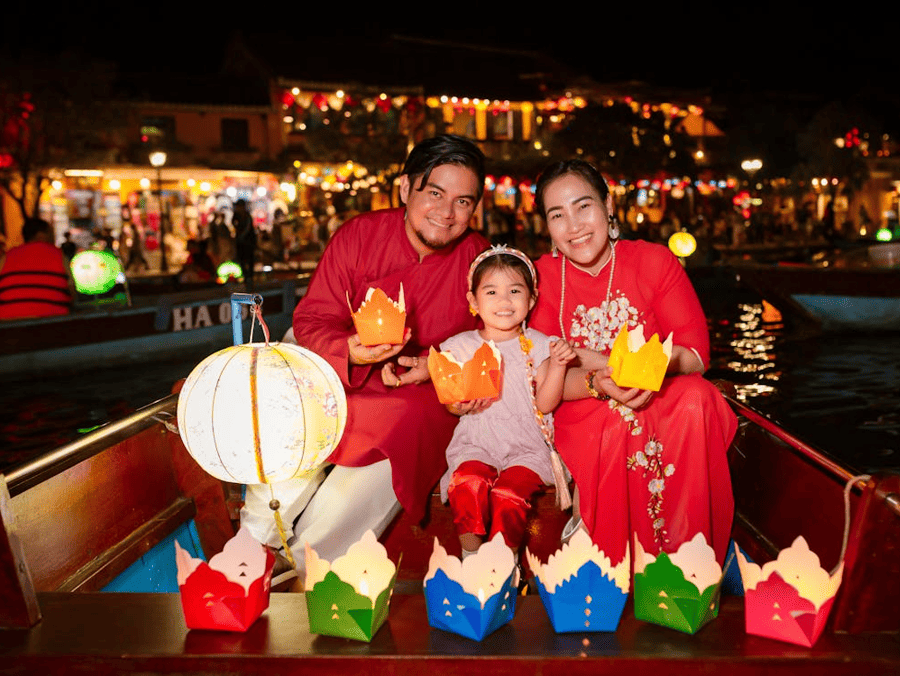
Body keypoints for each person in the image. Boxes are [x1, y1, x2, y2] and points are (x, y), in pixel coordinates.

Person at [240, 134, 490, 575]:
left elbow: (493, 345)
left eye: (463, 202)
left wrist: (431, 367)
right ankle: (256, 538)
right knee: (301, 388)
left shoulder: (478, 259)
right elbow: (313, 319)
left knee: (405, 422)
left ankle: (309, 562)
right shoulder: (359, 235)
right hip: (340, 372)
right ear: (405, 189)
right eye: (435, 194)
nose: (447, 213)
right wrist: (349, 352)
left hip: (419, 391)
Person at [528, 159, 737, 568]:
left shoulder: (655, 261)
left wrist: (625, 364)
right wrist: (598, 380)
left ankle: (685, 562)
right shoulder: (540, 277)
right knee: (620, 419)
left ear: (608, 205)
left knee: (696, 398)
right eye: (558, 215)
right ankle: (615, 561)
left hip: (658, 391)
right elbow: (540, 382)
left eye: (583, 206)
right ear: (547, 226)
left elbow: (695, 356)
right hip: (581, 406)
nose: (574, 226)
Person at [438, 245, 575, 560]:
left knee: (508, 493)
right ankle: (470, 558)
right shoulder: (459, 347)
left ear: (531, 298)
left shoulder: (540, 345)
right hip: (478, 440)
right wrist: (458, 404)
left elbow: (546, 402)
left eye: (514, 290)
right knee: (467, 482)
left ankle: (504, 562)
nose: (503, 301)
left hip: (526, 445)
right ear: (473, 301)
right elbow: (450, 399)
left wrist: (557, 366)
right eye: (491, 291)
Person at [0, 217, 73, 320]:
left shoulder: (6, 257)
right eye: (51, 233)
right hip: (52, 322)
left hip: (7, 325)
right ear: (41, 234)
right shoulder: (58, 255)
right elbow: (71, 291)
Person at [232, 199, 256, 284]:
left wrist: (242, 236)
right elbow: (233, 223)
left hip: (248, 242)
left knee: (250, 260)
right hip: (241, 242)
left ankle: (250, 276)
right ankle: (246, 276)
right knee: (242, 259)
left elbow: (248, 228)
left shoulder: (247, 216)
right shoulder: (237, 215)